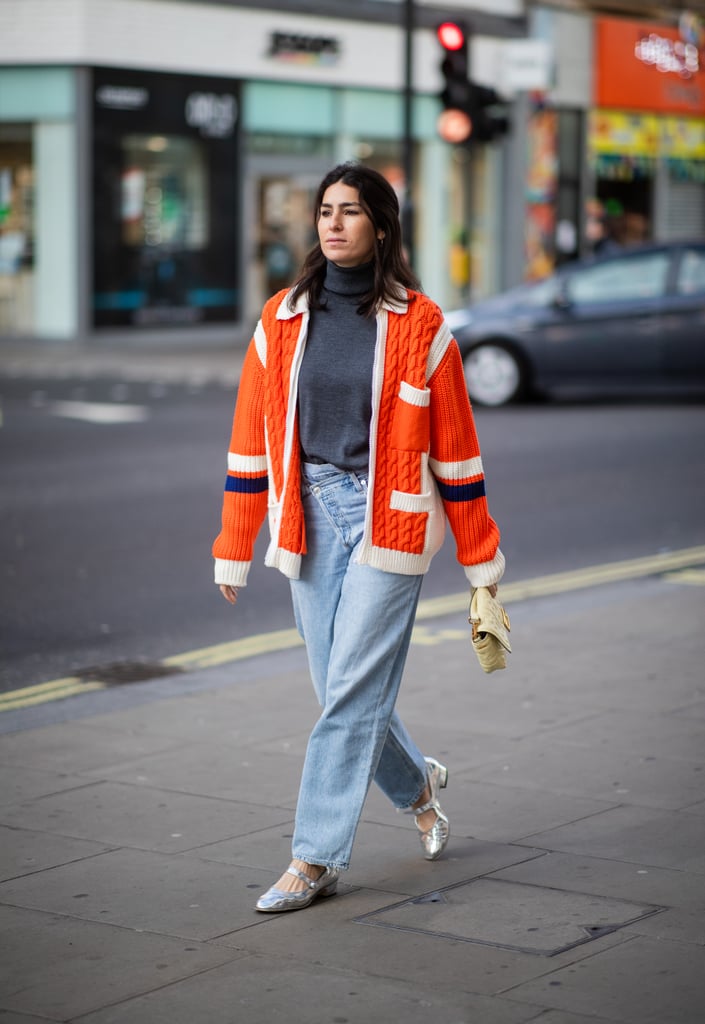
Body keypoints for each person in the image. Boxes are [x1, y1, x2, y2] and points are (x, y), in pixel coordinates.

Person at [213, 162, 504, 914]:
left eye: (350, 211)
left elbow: (458, 452)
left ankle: (312, 858)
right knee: (339, 691)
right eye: (324, 211)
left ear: (381, 224)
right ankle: (419, 791)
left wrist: (480, 565)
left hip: (390, 522)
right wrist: (234, 543)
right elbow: (251, 440)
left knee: (346, 695)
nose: (333, 223)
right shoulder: (280, 319)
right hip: (305, 518)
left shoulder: (420, 324)